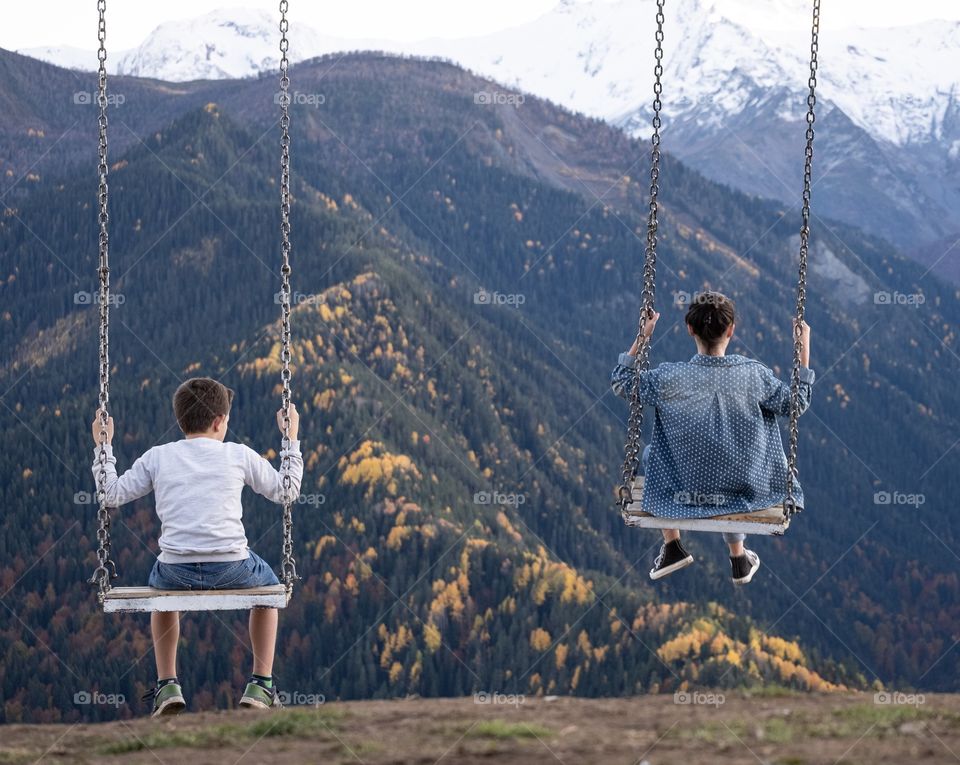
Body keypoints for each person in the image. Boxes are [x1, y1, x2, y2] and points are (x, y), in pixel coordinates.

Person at [90, 377, 303, 716]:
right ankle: (261, 683)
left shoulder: (158, 457)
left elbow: (109, 494)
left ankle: (167, 684)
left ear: (181, 420)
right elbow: (286, 490)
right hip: (233, 567)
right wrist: (290, 440)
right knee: (267, 589)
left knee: (160, 595)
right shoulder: (239, 455)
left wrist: (104, 446)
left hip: (175, 571)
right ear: (220, 421)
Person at [611, 292, 814, 585]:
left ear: (689, 328)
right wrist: (802, 348)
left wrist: (643, 336)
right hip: (747, 489)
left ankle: (672, 547)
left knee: (652, 453)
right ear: (731, 330)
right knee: (737, 458)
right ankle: (738, 556)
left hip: (685, 489)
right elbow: (796, 404)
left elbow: (622, 382)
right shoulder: (753, 375)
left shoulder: (670, 377)